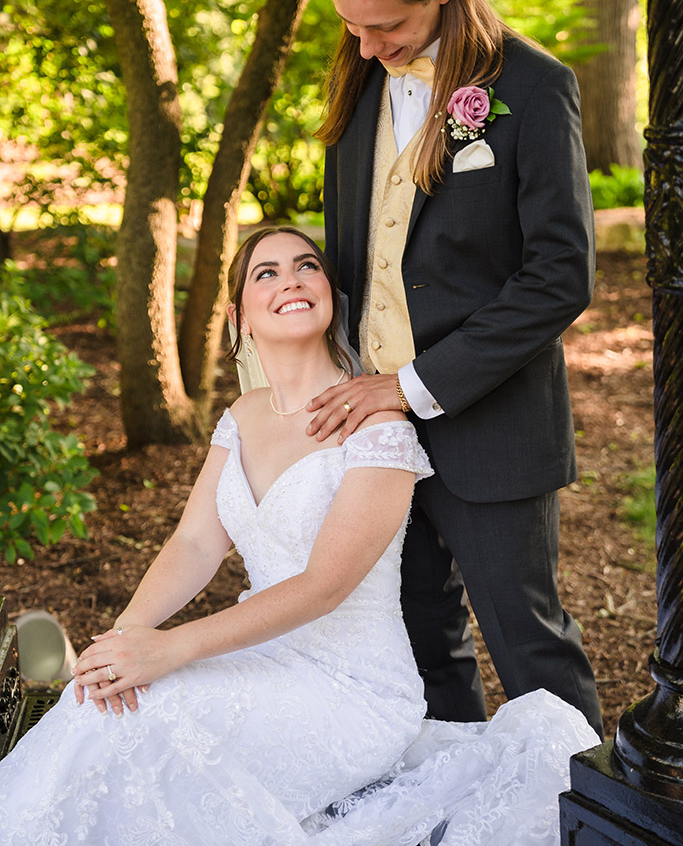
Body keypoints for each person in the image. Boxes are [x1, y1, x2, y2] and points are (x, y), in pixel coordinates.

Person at [0, 227, 598, 845]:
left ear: (329, 295)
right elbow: (195, 545)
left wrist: (170, 647)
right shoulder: (243, 416)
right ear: (239, 319)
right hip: (257, 657)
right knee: (98, 707)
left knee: (150, 722)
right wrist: (119, 643)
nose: (290, 279)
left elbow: (322, 586)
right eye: (266, 273)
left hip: (351, 689)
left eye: (305, 266)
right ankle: (71, 690)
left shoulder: (376, 423)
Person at [308, 0, 604, 738]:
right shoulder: (360, 84)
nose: (365, 47)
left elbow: (559, 277)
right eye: (353, 27)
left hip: (492, 424)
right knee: (416, 643)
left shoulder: (534, 87)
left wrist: (417, 384)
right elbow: (357, 253)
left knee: (530, 650)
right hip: (372, 430)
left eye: (383, 27)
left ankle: (574, 818)